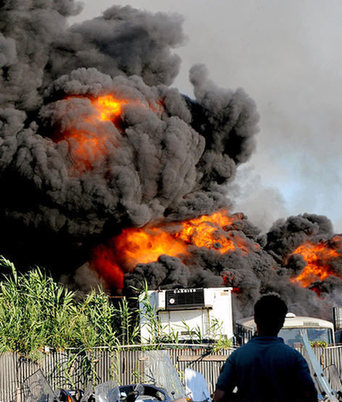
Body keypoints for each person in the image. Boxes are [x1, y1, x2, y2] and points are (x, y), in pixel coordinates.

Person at [214, 294, 318, 402]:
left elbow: (219, 397)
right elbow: (310, 395)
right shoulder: (294, 358)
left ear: (255, 319)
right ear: (282, 322)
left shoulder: (237, 356)